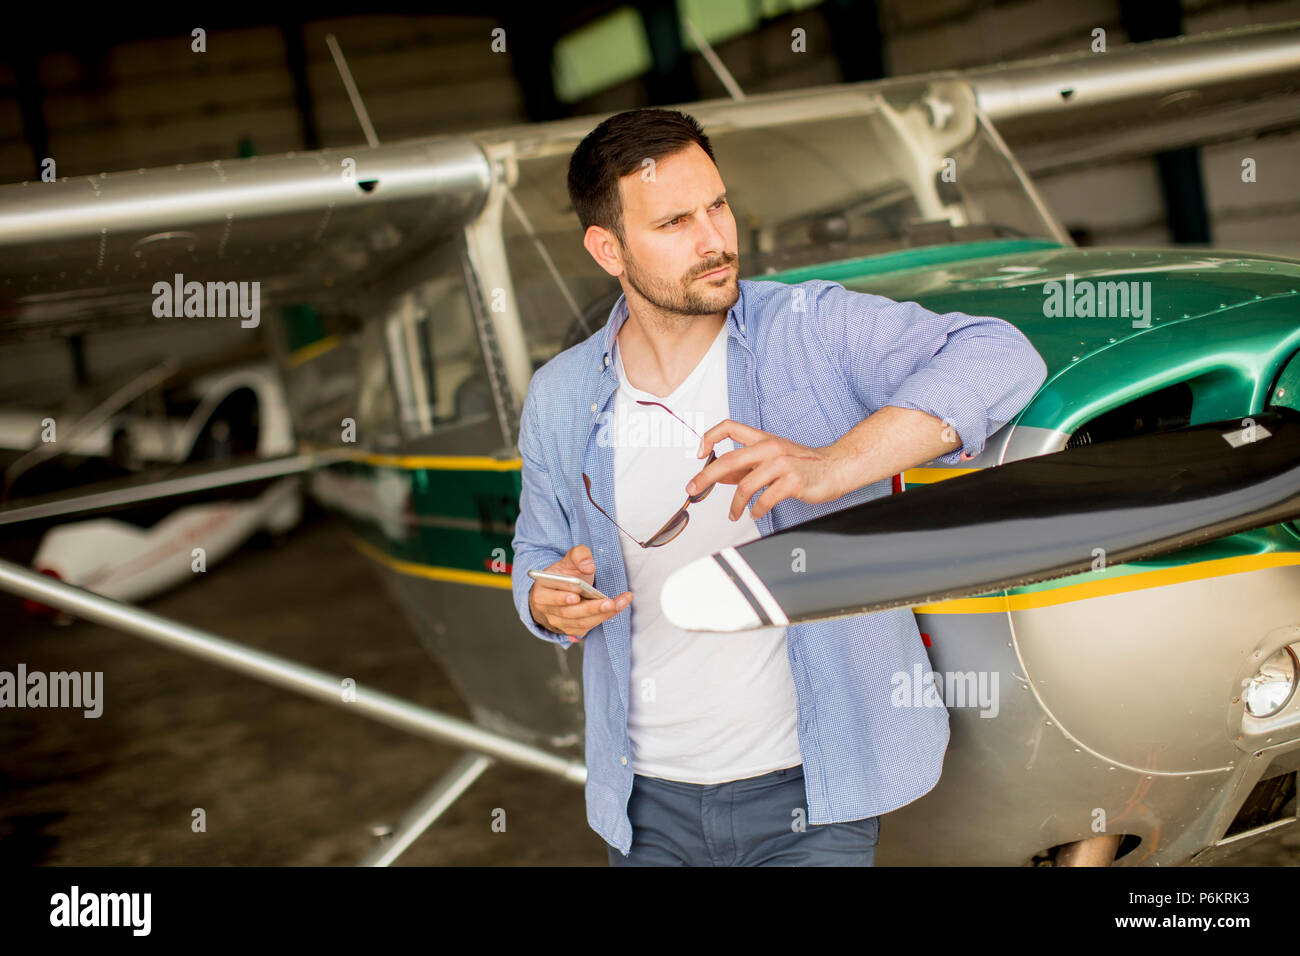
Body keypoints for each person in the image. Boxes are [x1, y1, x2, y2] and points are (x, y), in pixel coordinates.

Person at [510, 107, 1047, 866]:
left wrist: (833, 463)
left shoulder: (812, 327)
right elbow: (534, 550)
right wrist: (544, 598)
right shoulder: (560, 396)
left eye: (718, 207)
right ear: (608, 248)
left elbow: (1001, 356)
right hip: (645, 806)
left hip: (813, 794)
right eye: (674, 224)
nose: (714, 241)